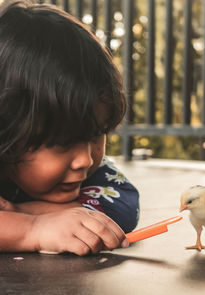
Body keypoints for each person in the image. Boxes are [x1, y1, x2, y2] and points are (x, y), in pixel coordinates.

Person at [0, 0, 139, 255]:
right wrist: (33, 229)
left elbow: (123, 208)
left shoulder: (95, 172)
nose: (85, 160)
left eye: (97, 134)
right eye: (64, 143)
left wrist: (19, 212)